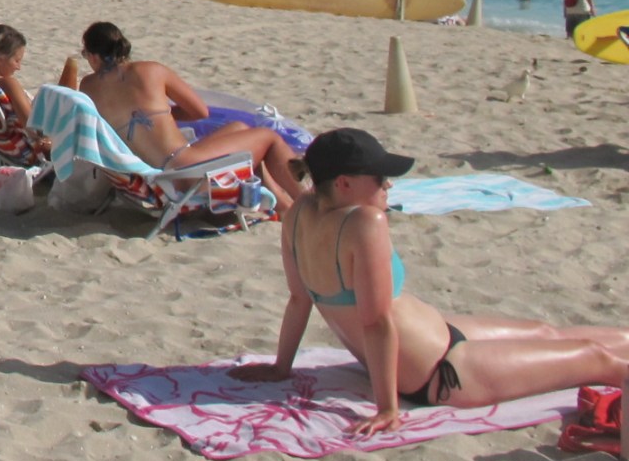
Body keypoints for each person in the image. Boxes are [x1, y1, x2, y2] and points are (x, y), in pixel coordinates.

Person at [235, 129, 629, 432]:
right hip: (442, 372)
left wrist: (281, 367)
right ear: (345, 183)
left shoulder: (298, 213)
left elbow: (299, 300)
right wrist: (387, 409)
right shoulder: (364, 222)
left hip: (439, 334)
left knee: (548, 332)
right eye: (381, 177)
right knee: (595, 359)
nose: (388, 185)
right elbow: (376, 321)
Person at [78, 21, 305, 205]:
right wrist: (162, 116)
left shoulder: (88, 87)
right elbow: (199, 111)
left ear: (95, 56)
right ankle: (308, 203)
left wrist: (151, 118)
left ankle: (284, 205)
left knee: (239, 129)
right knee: (269, 138)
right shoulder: (151, 70)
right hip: (184, 173)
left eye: (84, 53)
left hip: (149, 178)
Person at [0, 24, 46, 153]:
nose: (18, 67)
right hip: (29, 149)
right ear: (1, 60)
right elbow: (33, 125)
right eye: (16, 61)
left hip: (2, 143)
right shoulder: (8, 84)